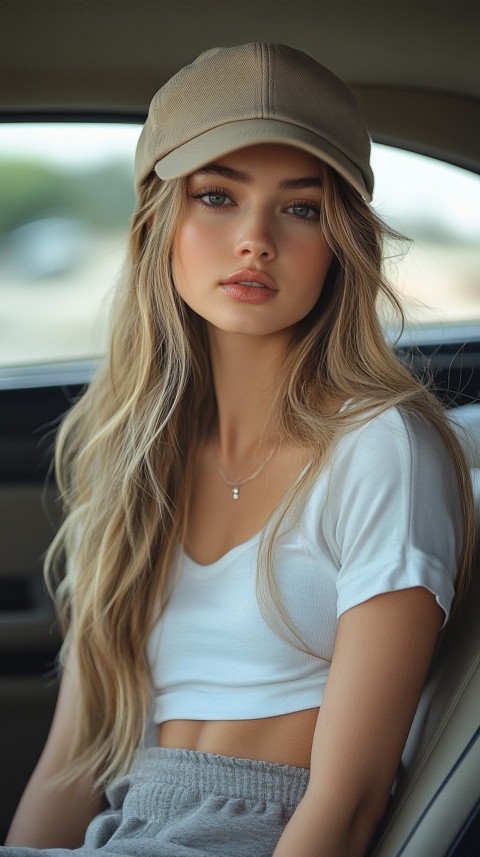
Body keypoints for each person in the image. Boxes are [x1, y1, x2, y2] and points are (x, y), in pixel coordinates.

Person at [4, 43, 474, 857]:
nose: (254, 238)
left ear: (341, 241)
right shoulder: (133, 458)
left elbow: (352, 801)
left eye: (300, 207)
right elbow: (71, 765)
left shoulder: (379, 447)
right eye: (217, 196)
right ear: (158, 222)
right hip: (127, 826)